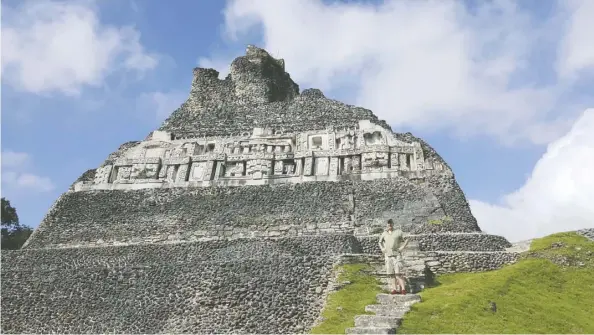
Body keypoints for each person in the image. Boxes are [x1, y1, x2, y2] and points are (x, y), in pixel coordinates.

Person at [378, 219, 409, 295]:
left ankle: (403, 289)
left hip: (396, 255)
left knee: (398, 273)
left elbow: (407, 239)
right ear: (387, 225)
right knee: (391, 274)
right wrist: (382, 248)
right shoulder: (384, 233)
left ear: (393, 224)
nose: (389, 225)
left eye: (391, 224)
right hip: (388, 256)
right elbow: (380, 242)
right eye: (388, 224)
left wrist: (402, 247)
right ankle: (394, 289)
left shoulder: (398, 232)